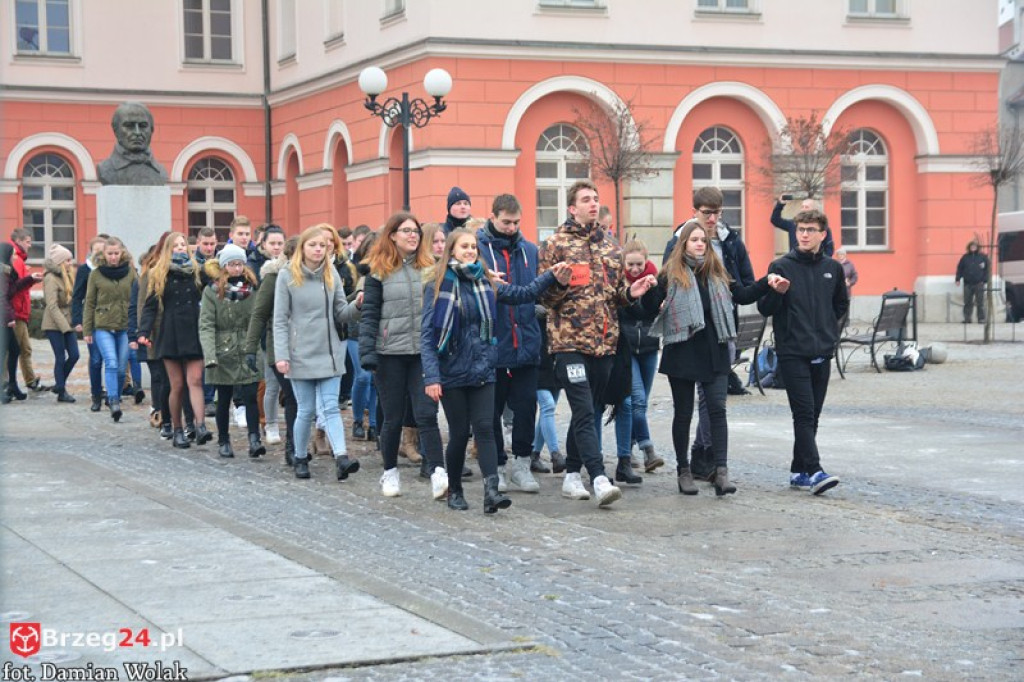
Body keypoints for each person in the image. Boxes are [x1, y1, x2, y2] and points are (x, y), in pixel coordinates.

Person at [422, 229, 568, 512]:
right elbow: (428, 335)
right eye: (464, 246)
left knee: (486, 428)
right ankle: (455, 489)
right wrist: (432, 376)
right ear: (451, 250)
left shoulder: (486, 283)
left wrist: (550, 275)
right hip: (451, 370)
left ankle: (491, 491)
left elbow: (524, 294)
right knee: (460, 433)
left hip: (483, 368)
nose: (470, 250)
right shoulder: (438, 286)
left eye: (473, 246)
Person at [538, 180, 656, 507]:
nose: (593, 204)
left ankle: (573, 475)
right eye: (586, 200)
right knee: (581, 406)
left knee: (590, 409)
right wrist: (558, 285)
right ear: (572, 208)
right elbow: (546, 298)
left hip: (604, 342)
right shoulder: (555, 244)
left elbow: (614, 296)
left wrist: (630, 295)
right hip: (568, 342)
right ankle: (599, 477)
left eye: (596, 199)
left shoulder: (611, 247)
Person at [646, 222, 775, 496]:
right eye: (694, 239)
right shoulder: (671, 275)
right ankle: (684, 471)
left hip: (714, 351)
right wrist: (645, 294)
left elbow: (742, 294)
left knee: (718, 410)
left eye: (703, 240)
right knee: (683, 414)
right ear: (683, 244)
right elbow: (649, 306)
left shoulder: (716, 273)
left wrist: (768, 282)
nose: (700, 244)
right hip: (682, 351)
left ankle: (721, 471)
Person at [665, 187, 757, 481]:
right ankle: (693, 461)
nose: (713, 219)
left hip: (720, 333)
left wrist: (767, 285)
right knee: (689, 408)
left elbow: (742, 285)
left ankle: (710, 459)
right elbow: (665, 283)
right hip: (686, 338)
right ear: (695, 211)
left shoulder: (730, 243)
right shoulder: (677, 241)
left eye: (717, 213)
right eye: (707, 213)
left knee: (714, 404)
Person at [758, 209, 849, 495]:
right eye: (801, 230)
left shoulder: (832, 268)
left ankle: (798, 471)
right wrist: (777, 293)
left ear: (823, 234)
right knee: (804, 413)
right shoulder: (781, 266)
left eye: (811, 229)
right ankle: (815, 470)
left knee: (814, 414)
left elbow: (840, 305)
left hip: (822, 350)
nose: (805, 234)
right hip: (792, 351)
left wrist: (828, 332)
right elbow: (765, 309)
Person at [359, 212, 447, 499]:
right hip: (389, 354)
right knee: (393, 417)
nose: (413, 235)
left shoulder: (430, 268)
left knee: (426, 414)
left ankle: (438, 472)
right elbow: (370, 314)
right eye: (406, 230)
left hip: (423, 353)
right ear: (392, 235)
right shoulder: (377, 270)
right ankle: (390, 472)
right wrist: (368, 353)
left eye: (416, 231)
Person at [274, 225, 362, 481]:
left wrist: (356, 305)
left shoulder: (330, 272)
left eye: (322, 246)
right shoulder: (287, 275)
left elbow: (340, 313)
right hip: (300, 351)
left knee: (331, 407)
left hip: (330, 351)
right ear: (302, 248)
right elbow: (280, 319)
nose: (318, 250)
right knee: (306, 410)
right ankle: (300, 456)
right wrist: (282, 355)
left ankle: (342, 458)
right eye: (313, 245)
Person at [477, 194, 551, 493]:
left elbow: (535, 293)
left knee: (526, 407)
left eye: (516, 222)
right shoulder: (478, 249)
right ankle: (497, 465)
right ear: (493, 217)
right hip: (493, 344)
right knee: (491, 412)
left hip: (527, 342)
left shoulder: (530, 251)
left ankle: (522, 463)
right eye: (506, 222)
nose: (511, 227)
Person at [138, 233, 212, 448]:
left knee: (196, 380)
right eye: (176, 246)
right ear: (168, 249)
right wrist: (143, 332)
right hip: (170, 332)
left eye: (183, 245)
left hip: (194, 330)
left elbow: (215, 287)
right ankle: (177, 428)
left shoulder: (197, 271)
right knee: (177, 385)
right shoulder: (158, 274)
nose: (180, 248)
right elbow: (150, 307)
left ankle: (200, 426)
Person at [200, 244, 266, 459]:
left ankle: (254, 438)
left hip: (248, 346)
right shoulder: (212, 291)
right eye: (231, 264)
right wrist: (210, 355)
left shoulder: (252, 288)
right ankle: (224, 440)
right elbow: (207, 324)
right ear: (223, 266)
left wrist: (256, 345)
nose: (236, 268)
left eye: (239, 264)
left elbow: (259, 317)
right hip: (223, 349)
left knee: (250, 395)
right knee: (224, 396)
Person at [246, 237, 299, 466]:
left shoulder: (317, 277)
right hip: (277, 346)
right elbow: (259, 314)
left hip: (305, 346)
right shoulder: (274, 277)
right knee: (292, 395)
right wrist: (250, 348)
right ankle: (292, 446)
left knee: (301, 399)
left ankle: (297, 443)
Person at [615, 240, 664, 475]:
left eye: (639, 264)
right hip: (626, 349)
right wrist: (632, 294)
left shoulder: (654, 280)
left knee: (641, 401)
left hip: (648, 347)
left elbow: (652, 311)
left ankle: (630, 446)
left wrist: (653, 290)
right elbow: (628, 312)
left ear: (646, 262)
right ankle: (648, 449)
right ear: (624, 263)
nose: (634, 269)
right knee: (637, 401)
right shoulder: (619, 284)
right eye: (630, 265)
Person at [83, 237, 137, 422]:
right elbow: (89, 303)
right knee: (111, 362)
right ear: (103, 254)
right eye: (110, 254)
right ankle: (114, 401)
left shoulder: (130, 273)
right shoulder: (96, 274)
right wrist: (87, 331)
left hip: (124, 326)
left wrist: (137, 327)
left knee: (122, 368)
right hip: (103, 325)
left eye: (116, 253)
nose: (113, 257)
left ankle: (116, 395)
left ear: (121, 253)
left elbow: (137, 300)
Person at [71, 235, 110, 411]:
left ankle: (112, 394)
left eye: (103, 251)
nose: (100, 255)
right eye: (97, 251)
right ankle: (96, 394)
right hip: (92, 320)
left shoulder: (112, 269)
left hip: (111, 320)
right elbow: (77, 296)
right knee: (96, 359)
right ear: (91, 251)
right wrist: (77, 320)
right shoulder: (85, 270)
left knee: (113, 360)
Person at [347, 233, 379, 443]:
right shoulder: (358, 273)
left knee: (376, 380)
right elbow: (349, 298)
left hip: (378, 332)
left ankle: (375, 423)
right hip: (355, 332)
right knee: (363, 377)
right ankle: (358, 419)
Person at [1, 242, 40, 403]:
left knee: (15, 350)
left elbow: (13, 289)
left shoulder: (6, 272)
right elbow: (2, 298)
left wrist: (30, 279)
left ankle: (12, 385)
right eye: (12, 254)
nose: (13, 257)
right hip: (4, 320)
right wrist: (9, 318)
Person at [97, 101, 168, 186]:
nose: (137, 132)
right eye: (129, 126)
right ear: (115, 130)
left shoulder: (161, 172)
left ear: (152, 130)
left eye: (143, 126)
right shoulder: (105, 169)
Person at [41, 244, 79, 403]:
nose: (71, 263)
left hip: (67, 320)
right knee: (60, 356)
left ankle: (59, 384)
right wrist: (65, 327)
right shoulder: (50, 278)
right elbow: (52, 305)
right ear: (60, 262)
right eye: (68, 260)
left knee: (75, 355)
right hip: (53, 323)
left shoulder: (68, 275)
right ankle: (62, 391)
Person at [7, 228, 43, 392]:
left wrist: (29, 278)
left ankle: (29, 380)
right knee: (13, 350)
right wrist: (30, 279)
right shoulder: (15, 259)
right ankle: (9, 384)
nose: (30, 245)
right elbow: (14, 288)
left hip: (19, 311)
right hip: (16, 312)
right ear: (19, 241)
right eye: (28, 242)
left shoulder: (17, 259)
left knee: (24, 348)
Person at [531, 306, 564, 471]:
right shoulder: (534, 290)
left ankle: (534, 454)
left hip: (557, 359)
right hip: (537, 360)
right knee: (548, 406)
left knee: (547, 411)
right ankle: (555, 454)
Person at [955, 239, 989, 324]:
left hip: (979, 283)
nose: (973, 248)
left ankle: (981, 319)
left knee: (980, 303)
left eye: (975, 246)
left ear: (977, 248)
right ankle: (967, 318)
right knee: (967, 302)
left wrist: (984, 280)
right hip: (967, 283)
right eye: (971, 246)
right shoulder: (965, 257)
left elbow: (987, 270)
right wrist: (958, 279)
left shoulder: (983, 257)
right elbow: (960, 268)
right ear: (969, 247)